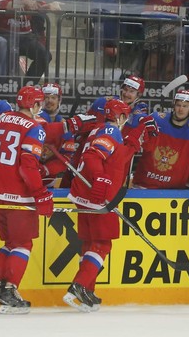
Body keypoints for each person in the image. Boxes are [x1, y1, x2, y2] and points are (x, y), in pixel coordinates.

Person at [0, 85, 52, 315]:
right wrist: (40, 194)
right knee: (23, 244)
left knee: (10, 243)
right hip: (17, 192)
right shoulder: (35, 127)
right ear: (36, 105)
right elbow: (28, 165)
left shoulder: (3, 119)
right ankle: (10, 292)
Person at [63, 98, 132, 312]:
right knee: (102, 244)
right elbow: (94, 156)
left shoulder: (98, 129)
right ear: (120, 117)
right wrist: (102, 178)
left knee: (89, 243)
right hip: (97, 197)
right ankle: (79, 286)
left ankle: (87, 291)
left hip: (82, 195)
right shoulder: (112, 131)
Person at [132, 89, 189, 189]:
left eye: (185, 106)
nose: (181, 109)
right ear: (173, 105)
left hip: (174, 192)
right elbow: (135, 136)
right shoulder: (156, 119)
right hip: (143, 186)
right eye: (178, 105)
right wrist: (138, 117)